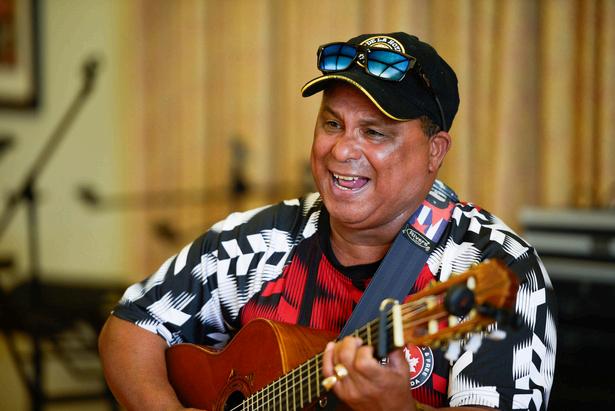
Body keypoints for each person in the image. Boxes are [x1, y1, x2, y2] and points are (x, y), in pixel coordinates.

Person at [99, 32, 556, 411]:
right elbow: (129, 328)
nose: (341, 150)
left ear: (435, 151)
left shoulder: (499, 271)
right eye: (332, 124)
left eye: (374, 132)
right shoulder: (261, 240)